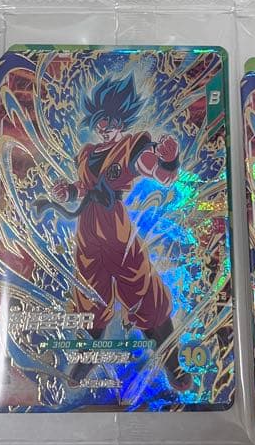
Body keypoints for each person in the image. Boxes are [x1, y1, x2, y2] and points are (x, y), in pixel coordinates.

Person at [38, 73, 191, 392]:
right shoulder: (86, 153)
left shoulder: (131, 147)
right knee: (90, 298)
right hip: (88, 231)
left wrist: (169, 160)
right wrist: (69, 191)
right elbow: (84, 187)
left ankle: (173, 364)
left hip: (116, 230)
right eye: (100, 120)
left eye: (110, 120)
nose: (105, 126)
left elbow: (159, 172)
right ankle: (87, 359)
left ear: (122, 120)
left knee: (143, 291)